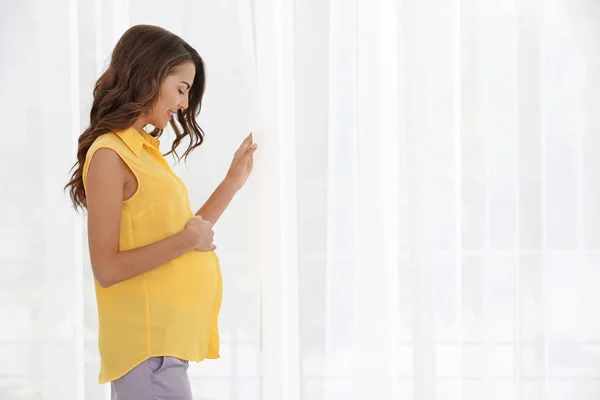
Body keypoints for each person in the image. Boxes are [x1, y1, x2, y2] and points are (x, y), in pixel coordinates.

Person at [64, 24, 257, 399]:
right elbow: (107, 269)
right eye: (181, 89)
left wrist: (232, 182)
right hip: (147, 351)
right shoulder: (109, 154)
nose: (184, 104)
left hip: (162, 352)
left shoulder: (143, 151)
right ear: (148, 75)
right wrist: (188, 239)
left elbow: (189, 234)